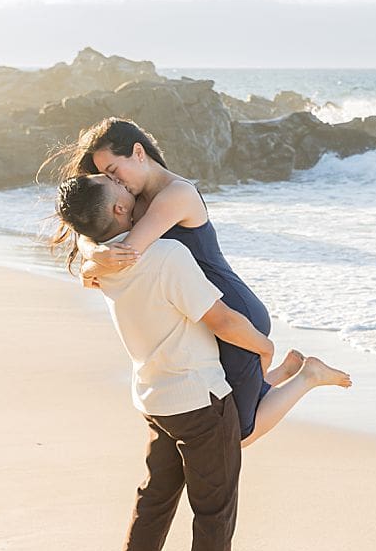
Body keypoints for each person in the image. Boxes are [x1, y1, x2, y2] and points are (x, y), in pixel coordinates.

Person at [52, 173, 348, 551]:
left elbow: (92, 259)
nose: (131, 191)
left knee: (154, 501)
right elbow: (223, 319)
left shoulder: (104, 267)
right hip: (199, 399)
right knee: (215, 509)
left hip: (154, 396)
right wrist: (263, 347)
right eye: (121, 191)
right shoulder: (168, 256)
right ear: (117, 211)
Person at [56, 118, 350, 446]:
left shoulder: (175, 195)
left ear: (138, 152)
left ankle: (308, 376)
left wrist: (92, 263)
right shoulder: (136, 200)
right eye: (106, 177)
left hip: (233, 313)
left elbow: (127, 251)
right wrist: (92, 256)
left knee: (237, 435)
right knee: (226, 406)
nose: (114, 182)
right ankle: (277, 374)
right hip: (206, 315)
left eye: (113, 171)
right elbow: (92, 233)